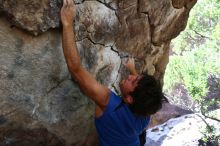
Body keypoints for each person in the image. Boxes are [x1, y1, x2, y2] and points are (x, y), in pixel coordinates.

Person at [60, 0, 167, 145]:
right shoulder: (145, 112)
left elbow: (75, 68)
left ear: (129, 99)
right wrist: (132, 68)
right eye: (136, 77)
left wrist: (67, 23)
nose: (130, 77)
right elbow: (138, 90)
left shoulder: (107, 102)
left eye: (133, 81)